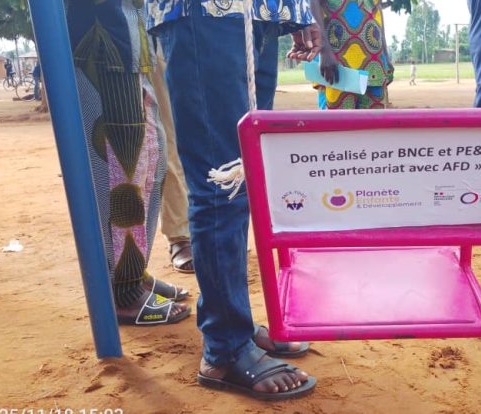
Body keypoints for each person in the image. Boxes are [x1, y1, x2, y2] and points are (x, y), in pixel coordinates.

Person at [148, 0, 319, 399]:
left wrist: (296, 11)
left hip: (262, 13)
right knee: (221, 179)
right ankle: (225, 348)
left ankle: (233, 323)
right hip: (205, 13)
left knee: (244, 177)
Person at [65, 0, 191, 326]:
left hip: (131, 43)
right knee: (122, 172)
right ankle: (121, 289)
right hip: (101, 46)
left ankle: (133, 272)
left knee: (151, 165)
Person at [152, 45, 194, 274]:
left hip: (219, 31)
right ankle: (180, 233)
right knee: (170, 133)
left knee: (215, 131)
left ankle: (217, 225)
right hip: (163, 30)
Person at [312, 0, 394, 109]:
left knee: (374, 118)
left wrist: (386, 56)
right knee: (337, 117)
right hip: (337, 61)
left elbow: (376, 6)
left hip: (374, 63)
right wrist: (324, 49)